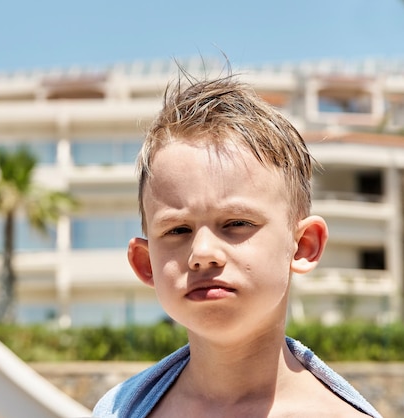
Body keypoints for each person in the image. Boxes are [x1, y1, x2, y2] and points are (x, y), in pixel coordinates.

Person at [92, 74, 382, 417]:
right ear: (145, 263)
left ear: (303, 246)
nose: (202, 253)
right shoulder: (117, 410)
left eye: (236, 224)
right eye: (178, 229)